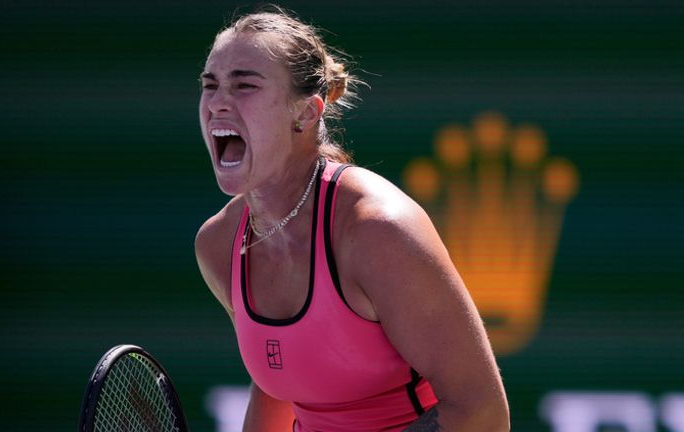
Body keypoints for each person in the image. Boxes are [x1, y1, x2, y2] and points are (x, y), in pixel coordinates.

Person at [195, 6, 509, 431]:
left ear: (306, 113)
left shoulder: (377, 231)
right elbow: (280, 382)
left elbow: (482, 412)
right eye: (210, 85)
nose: (217, 103)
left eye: (244, 85)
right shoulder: (218, 246)